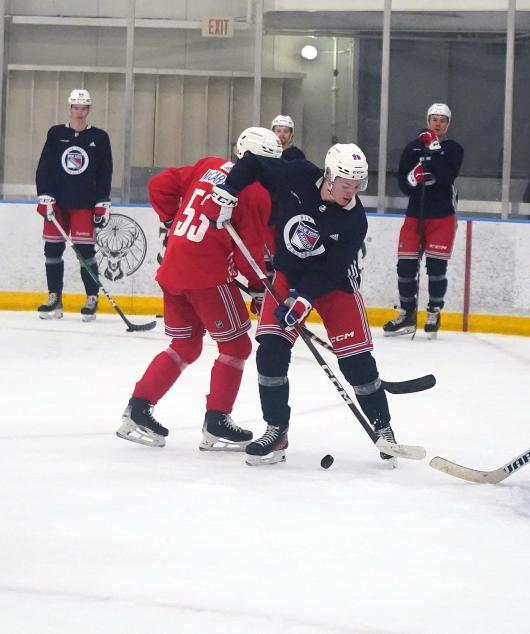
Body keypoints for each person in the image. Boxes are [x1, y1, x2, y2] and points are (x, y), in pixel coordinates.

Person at [217, 141, 400, 466]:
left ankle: (383, 429)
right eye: (346, 184)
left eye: (358, 185)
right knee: (271, 350)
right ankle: (276, 430)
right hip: (288, 273)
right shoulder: (297, 175)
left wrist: (304, 299)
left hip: (334, 284)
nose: (352, 191)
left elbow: (330, 269)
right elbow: (253, 163)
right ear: (329, 177)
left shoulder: (354, 220)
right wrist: (230, 189)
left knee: (356, 364)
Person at [115, 128, 273, 450]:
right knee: (237, 347)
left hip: (173, 267)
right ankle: (217, 421)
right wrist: (259, 288)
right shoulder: (254, 190)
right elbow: (250, 250)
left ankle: (138, 408)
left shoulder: (208, 166)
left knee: (185, 345)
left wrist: (172, 222)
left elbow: (158, 186)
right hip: (207, 276)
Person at [383, 103, 465, 339]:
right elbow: (403, 185)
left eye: (442, 120)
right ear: (427, 120)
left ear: (448, 124)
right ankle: (407, 313)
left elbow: (446, 175)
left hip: (442, 216)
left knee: (436, 268)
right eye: (434, 119)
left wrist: (434, 147)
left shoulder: (453, 149)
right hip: (414, 215)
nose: (437, 123)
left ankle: (434, 311)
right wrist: (412, 177)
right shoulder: (412, 148)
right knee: (405, 266)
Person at [34, 88, 113, 321]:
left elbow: (105, 172)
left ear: (88, 110)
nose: (79, 112)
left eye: (84, 108)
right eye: (76, 107)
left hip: (84, 203)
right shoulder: (55, 134)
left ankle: (91, 298)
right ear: (69, 109)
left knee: (85, 252)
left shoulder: (99, 137)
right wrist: (44, 195)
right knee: (52, 250)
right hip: (57, 203)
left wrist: (102, 202)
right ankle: (54, 298)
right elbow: (44, 167)